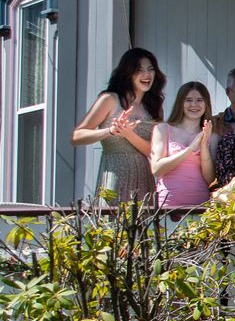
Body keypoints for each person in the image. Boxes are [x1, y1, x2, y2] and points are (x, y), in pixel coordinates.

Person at [71, 47, 164, 201]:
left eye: (150, 69)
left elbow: (153, 152)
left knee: (142, 222)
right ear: (128, 73)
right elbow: (77, 136)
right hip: (114, 176)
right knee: (113, 223)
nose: (147, 74)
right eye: (139, 69)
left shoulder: (154, 106)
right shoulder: (110, 99)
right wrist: (111, 131)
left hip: (144, 180)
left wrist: (129, 134)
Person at [150, 81, 216, 207]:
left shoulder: (213, 137)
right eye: (188, 100)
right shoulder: (163, 129)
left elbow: (211, 180)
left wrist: (203, 147)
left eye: (199, 100)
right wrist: (190, 149)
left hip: (200, 205)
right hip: (167, 204)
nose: (194, 105)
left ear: (206, 104)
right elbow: (157, 169)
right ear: (180, 103)